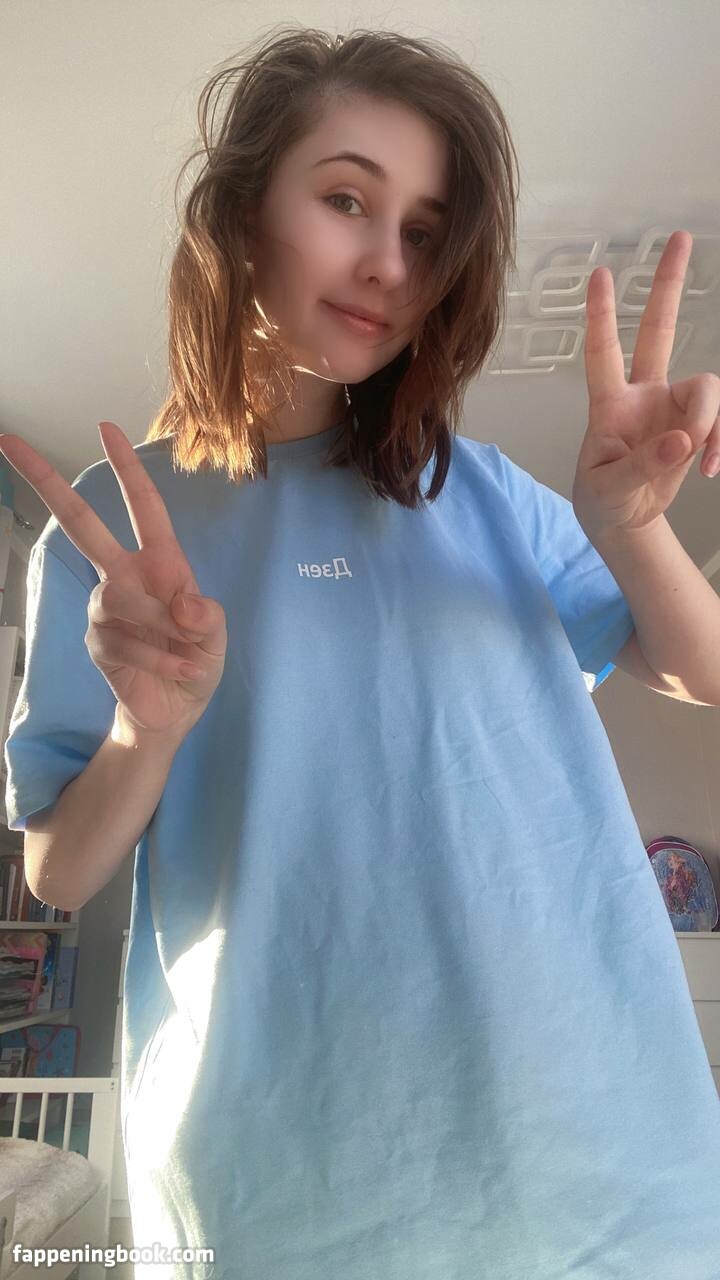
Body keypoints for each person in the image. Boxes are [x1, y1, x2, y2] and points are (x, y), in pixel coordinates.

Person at [3, 25, 720, 1280]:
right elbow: (58, 871)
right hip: (283, 1176)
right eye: (346, 199)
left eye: (426, 233)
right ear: (242, 212)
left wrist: (629, 526)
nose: (388, 261)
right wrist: (143, 728)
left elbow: (697, 668)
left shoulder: (484, 491)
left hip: (596, 1153)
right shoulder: (112, 537)